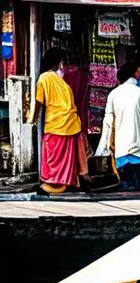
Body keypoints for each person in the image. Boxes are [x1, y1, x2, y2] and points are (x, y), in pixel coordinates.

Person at [29, 48, 87, 195]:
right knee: (65, 158)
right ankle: (69, 182)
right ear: (56, 63)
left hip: (56, 124)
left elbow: (38, 103)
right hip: (70, 123)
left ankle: (55, 184)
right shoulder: (60, 81)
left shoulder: (43, 78)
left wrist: (32, 119)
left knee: (52, 158)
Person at [95, 61, 140, 192]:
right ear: (135, 74)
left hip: (121, 151)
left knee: (126, 188)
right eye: (139, 71)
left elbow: (108, 123)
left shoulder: (113, 94)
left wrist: (104, 147)